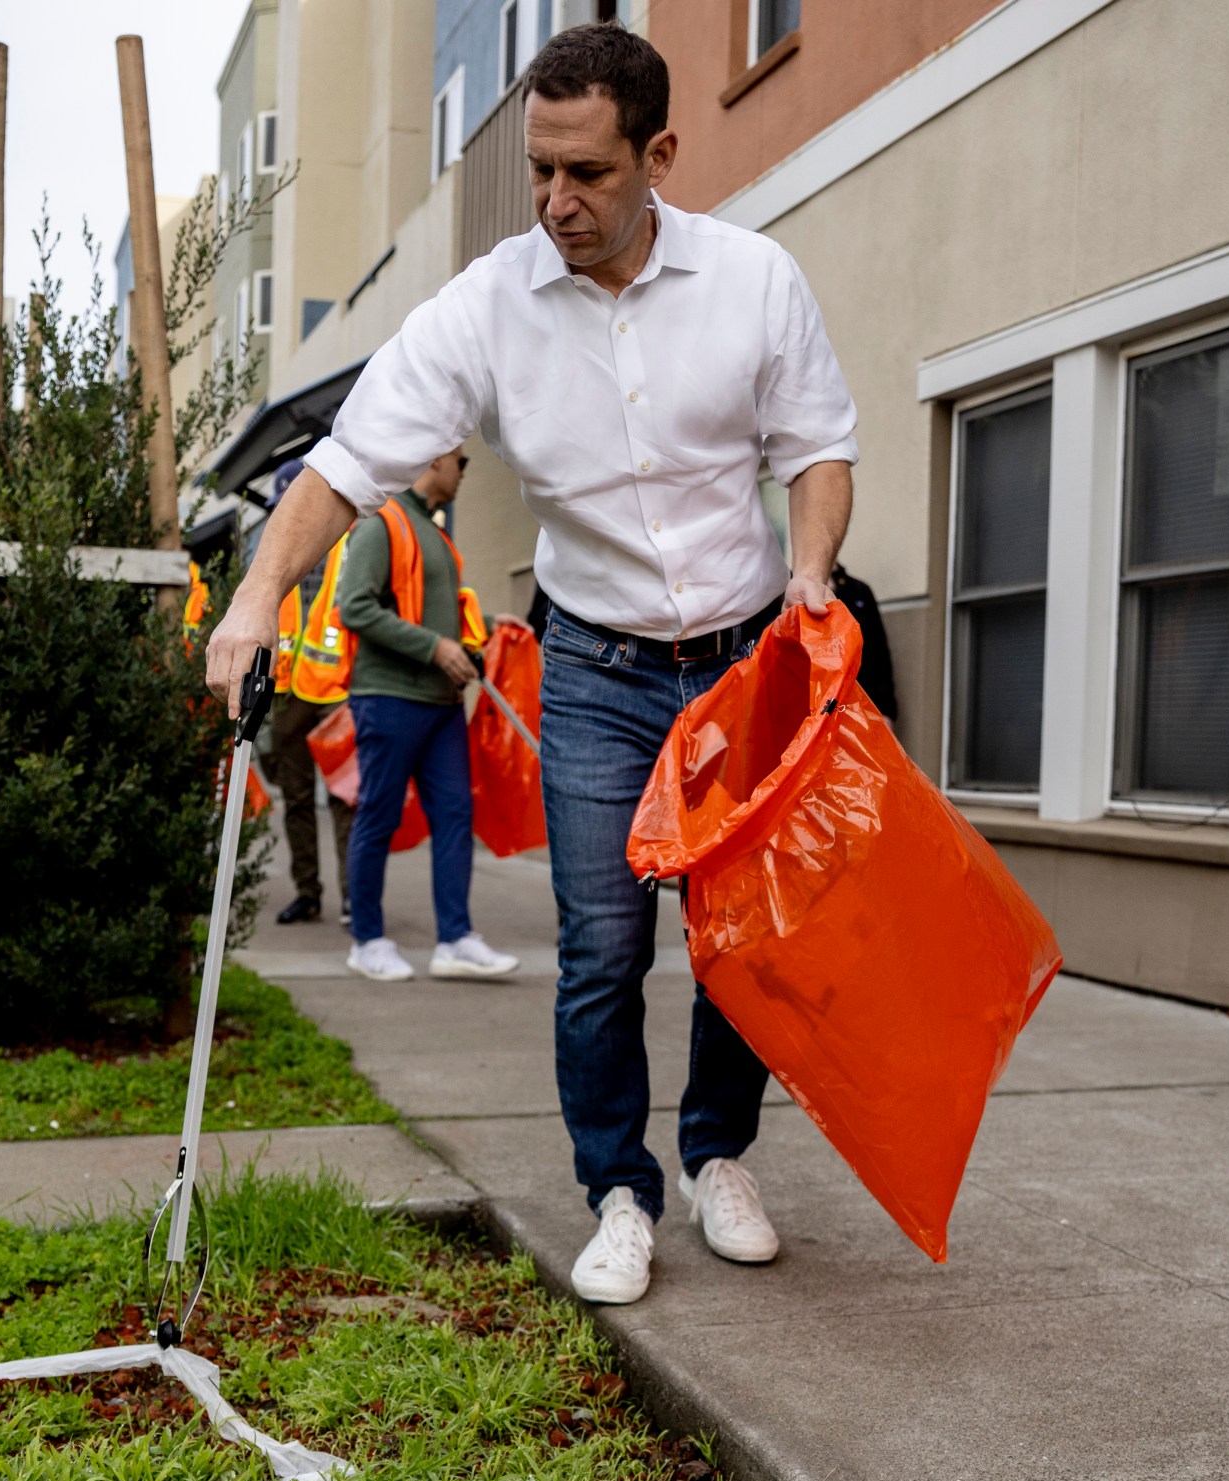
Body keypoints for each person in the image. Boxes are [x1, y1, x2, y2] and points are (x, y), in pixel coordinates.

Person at [204, 23, 857, 1306]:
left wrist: (814, 571)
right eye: (539, 172)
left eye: (589, 173)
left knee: (739, 945)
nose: (557, 200)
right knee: (603, 947)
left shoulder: (756, 281)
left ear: (659, 154)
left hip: (743, 664)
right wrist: (254, 600)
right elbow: (345, 464)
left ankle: (720, 1150)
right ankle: (619, 1188)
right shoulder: (487, 308)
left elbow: (819, 445)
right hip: (601, 672)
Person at [332, 446, 520, 984]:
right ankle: (367, 941)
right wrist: (437, 649)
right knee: (378, 817)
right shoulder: (382, 523)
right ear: (436, 460)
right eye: (462, 462)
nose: (464, 472)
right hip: (389, 698)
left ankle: (456, 939)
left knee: (456, 817)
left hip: (439, 705)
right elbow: (356, 607)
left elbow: (438, 614)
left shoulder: (432, 532)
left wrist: (486, 622)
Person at [261, 458, 354, 923]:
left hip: (337, 691)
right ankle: (308, 893)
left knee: (344, 799)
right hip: (288, 691)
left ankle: (354, 898)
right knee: (296, 797)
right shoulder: (275, 557)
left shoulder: (351, 544)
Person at [831, 563, 898, 723]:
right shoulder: (789, 590)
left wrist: (885, 710)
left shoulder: (858, 590)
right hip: (809, 710)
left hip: (857, 708)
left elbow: (879, 655)